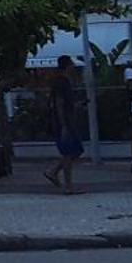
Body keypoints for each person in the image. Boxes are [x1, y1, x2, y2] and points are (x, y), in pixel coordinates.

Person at [44, 56, 85, 194]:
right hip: (64, 122)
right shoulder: (61, 83)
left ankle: (54, 171)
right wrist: (63, 125)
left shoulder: (64, 82)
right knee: (69, 152)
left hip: (68, 120)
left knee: (75, 151)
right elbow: (59, 103)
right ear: (68, 66)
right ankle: (68, 185)